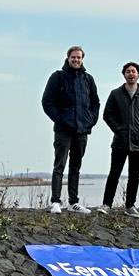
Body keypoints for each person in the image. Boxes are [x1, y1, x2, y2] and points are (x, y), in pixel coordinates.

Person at [95, 61, 139, 218]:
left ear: (138, 74)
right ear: (124, 74)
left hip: (138, 142)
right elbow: (107, 115)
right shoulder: (116, 93)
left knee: (134, 175)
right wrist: (118, 129)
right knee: (114, 173)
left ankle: (130, 206)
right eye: (128, 71)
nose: (131, 74)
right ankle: (106, 204)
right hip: (120, 141)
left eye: (134, 71)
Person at [41, 45, 100, 213]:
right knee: (59, 165)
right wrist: (60, 120)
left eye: (79, 57)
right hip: (63, 130)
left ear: (82, 59)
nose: (76, 60)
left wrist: (91, 121)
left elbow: (95, 103)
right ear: (68, 58)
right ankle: (56, 202)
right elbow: (47, 102)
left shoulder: (88, 79)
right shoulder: (58, 77)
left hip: (82, 130)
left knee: (76, 167)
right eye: (73, 57)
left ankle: (73, 202)